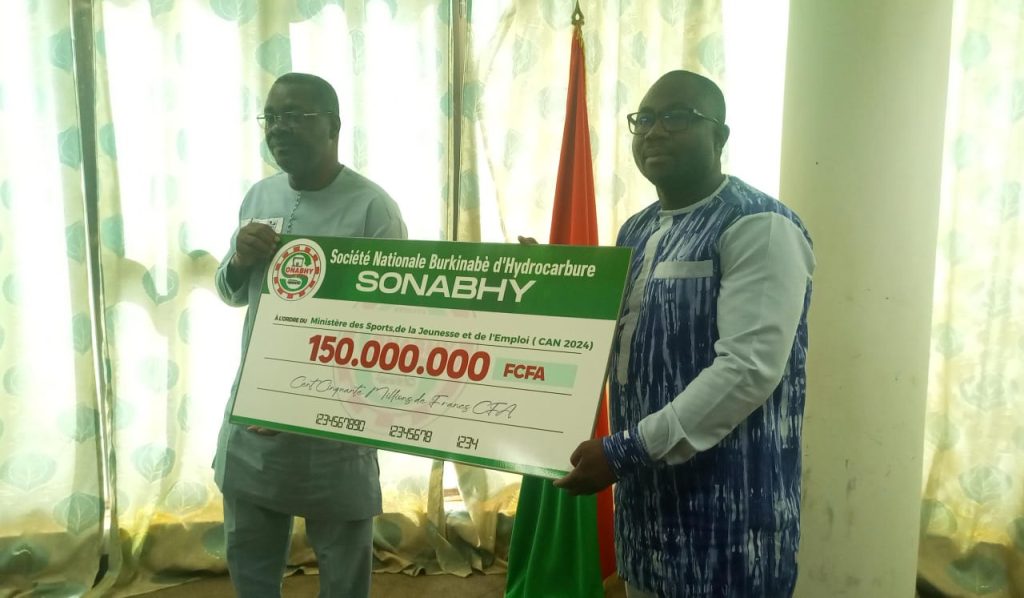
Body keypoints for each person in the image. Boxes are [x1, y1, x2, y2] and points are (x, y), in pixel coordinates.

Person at [552, 70, 815, 597]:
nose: (654, 131)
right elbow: (621, 338)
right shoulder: (638, 228)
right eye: (645, 119)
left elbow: (746, 371)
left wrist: (623, 452)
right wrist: (547, 292)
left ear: (720, 136)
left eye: (676, 117)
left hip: (730, 519)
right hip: (645, 509)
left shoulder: (759, 225)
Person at [213, 72, 407, 597]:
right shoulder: (259, 195)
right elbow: (231, 292)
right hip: (256, 420)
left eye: (296, 116)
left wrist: (301, 396)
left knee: (343, 573)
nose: (279, 128)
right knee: (250, 562)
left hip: (334, 423)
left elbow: (390, 323)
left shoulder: (372, 208)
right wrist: (239, 260)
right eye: (272, 117)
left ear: (334, 126)